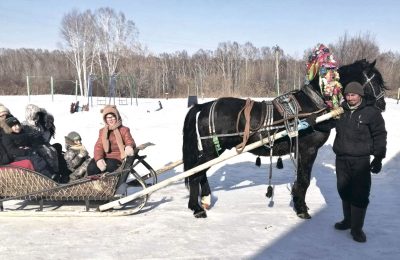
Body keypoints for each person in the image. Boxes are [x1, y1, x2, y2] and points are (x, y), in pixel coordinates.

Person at [332, 81, 387, 243]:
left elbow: (380, 135)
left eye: (353, 95)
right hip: (341, 159)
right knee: (343, 190)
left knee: (360, 194)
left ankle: (357, 229)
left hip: (360, 161)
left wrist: (378, 157)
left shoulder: (371, 112)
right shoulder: (340, 111)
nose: (350, 98)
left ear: (360, 95)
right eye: (348, 95)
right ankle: (348, 221)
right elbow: (326, 123)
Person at [86, 105, 136, 175]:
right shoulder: (102, 131)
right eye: (108, 117)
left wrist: (129, 146)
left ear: (117, 116)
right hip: (105, 157)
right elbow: (98, 146)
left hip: (117, 158)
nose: (110, 119)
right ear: (105, 119)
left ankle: (107, 184)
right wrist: (99, 159)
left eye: (112, 117)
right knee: (92, 167)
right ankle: (94, 184)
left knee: (109, 167)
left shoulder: (124, 130)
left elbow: (129, 140)